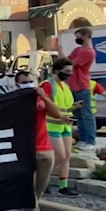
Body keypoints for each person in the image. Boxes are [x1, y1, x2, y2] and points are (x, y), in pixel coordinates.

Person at [15, 71, 66, 211]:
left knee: (40, 187)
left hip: (45, 148)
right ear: (17, 85)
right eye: (24, 82)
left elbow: (57, 114)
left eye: (31, 81)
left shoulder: (40, 100)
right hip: (26, 149)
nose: (28, 84)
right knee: (30, 186)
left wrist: (44, 97)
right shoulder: (14, 102)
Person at [40, 59, 81, 197]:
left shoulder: (65, 86)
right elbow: (46, 105)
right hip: (51, 125)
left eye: (71, 71)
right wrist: (62, 114)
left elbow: (63, 106)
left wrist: (74, 107)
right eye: (67, 71)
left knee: (66, 156)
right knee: (60, 156)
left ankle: (63, 186)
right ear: (57, 70)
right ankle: (41, 180)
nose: (70, 74)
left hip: (65, 126)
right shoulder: (48, 85)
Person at [56, 27, 97, 153]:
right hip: (72, 86)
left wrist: (60, 51)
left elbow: (69, 64)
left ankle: (90, 141)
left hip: (81, 87)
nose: (77, 39)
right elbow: (65, 61)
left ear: (85, 36)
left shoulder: (89, 52)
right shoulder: (78, 50)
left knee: (86, 114)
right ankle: (83, 140)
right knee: (79, 115)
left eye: (78, 36)